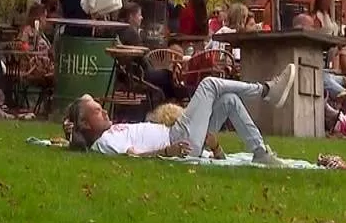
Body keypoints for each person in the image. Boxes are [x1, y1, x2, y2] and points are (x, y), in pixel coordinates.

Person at [65, 67, 300, 166]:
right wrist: (168, 152)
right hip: (177, 140)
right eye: (97, 111)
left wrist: (72, 127)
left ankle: (260, 153)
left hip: (180, 136)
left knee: (229, 101)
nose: (104, 110)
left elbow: (82, 107)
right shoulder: (106, 142)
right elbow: (133, 157)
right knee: (209, 84)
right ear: (86, 124)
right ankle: (265, 91)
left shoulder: (106, 132)